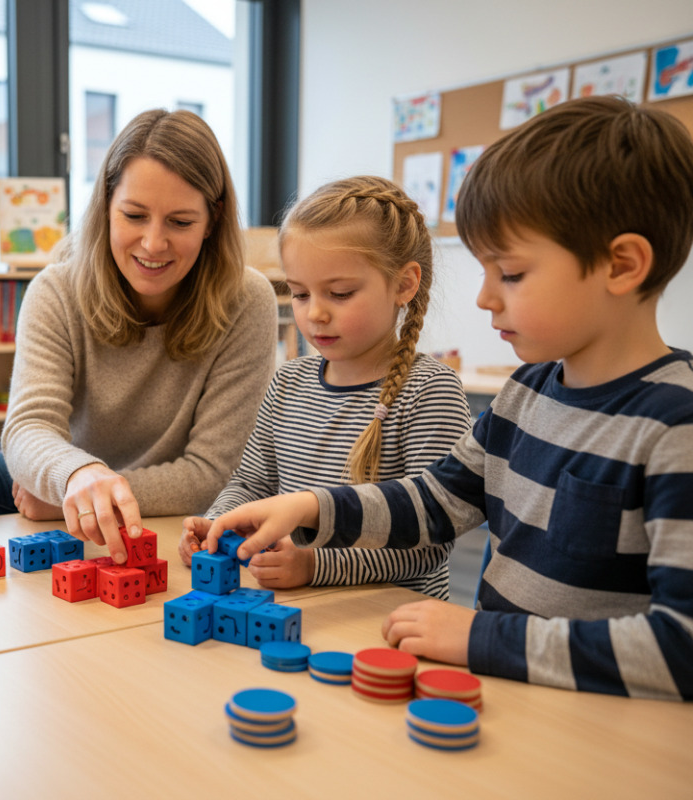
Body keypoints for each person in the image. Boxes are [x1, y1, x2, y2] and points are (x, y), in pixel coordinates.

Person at [204, 95, 693, 700]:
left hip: (598, 724)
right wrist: (309, 509)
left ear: (622, 265)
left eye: (510, 274)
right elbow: (434, 503)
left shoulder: (677, 426)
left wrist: (480, 637)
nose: (485, 298)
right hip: (502, 692)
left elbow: (680, 648)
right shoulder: (524, 396)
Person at [0, 109, 277, 566]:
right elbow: (27, 429)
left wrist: (83, 498)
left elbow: (213, 474)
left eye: (180, 222)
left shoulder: (247, 299)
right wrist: (74, 479)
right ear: (105, 205)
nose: (153, 243)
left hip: (155, 507)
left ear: (213, 219)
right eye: (135, 215)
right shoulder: (57, 288)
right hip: (62, 478)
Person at [177, 176, 472, 597]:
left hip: (387, 618)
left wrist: (315, 564)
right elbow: (251, 483)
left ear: (405, 284)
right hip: (298, 605)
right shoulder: (289, 382)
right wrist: (219, 524)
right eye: (298, 294)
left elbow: (429, 544)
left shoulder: (429, 391)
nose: (315, 313)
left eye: (339, 293)